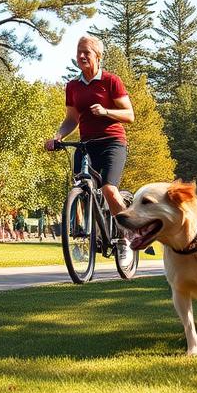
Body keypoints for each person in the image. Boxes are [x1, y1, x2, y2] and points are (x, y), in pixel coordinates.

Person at [45, 34, 140, 263]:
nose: (81, 56)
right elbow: (71, 119)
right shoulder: (73, 86)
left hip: (112, 143)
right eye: (79, 52)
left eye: (86, 52)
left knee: (108, 189)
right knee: (79, 188)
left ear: (98, 55)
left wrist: (107, 112)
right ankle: (84, 236)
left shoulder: (110, 81)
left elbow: (130, 115)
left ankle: (126, 237)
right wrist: (57, 136)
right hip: (86, 145)